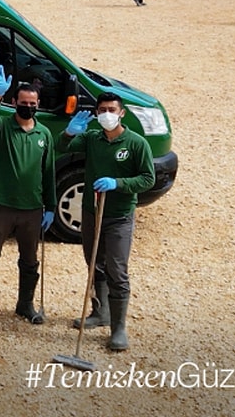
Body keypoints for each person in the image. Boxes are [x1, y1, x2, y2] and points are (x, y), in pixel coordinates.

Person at [56, 94, 155, 351]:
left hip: (119, 215)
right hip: (91, 212)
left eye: (111, 110)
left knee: (117, 269)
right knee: (93, 262)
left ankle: (118, 327)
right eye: (102, 110)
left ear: (121, 113)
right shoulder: (92, 138)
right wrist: (68, 132)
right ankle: (100, 313)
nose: (106, 114)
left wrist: (118, 184)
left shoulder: (136, 143)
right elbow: (61, 147)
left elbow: (147, 178)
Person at [0, 66, 55, 325]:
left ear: (38, 105)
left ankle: (25, 304)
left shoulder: (44, 135)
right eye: (23, 103)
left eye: (32, 104)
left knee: (30, 260)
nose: (28, 107)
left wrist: (51, 207)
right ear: (14, 103)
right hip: (1, 205)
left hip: (32, 208)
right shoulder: (3, 128)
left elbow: (49, 172)